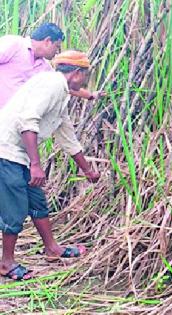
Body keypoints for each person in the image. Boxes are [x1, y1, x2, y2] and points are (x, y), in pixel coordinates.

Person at [0, 50, 100, 280]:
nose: (85, 81)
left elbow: (67, 137)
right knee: (14, 209)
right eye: (86, 75)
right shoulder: (52, 84)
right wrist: (36, 164)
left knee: (37, 201)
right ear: (77, 73)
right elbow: (27, 120)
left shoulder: (61, 93)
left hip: (20, 155)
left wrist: (87, 170)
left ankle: (52, 249)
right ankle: (6, 263)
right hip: (6, 151)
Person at [0, 22, 103, 109]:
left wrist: (91, 96)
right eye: (57, 46)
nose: (57, 51)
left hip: (11, 120)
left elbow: (64, 86)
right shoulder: (14, 45)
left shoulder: (44, 68)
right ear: (48, 41)